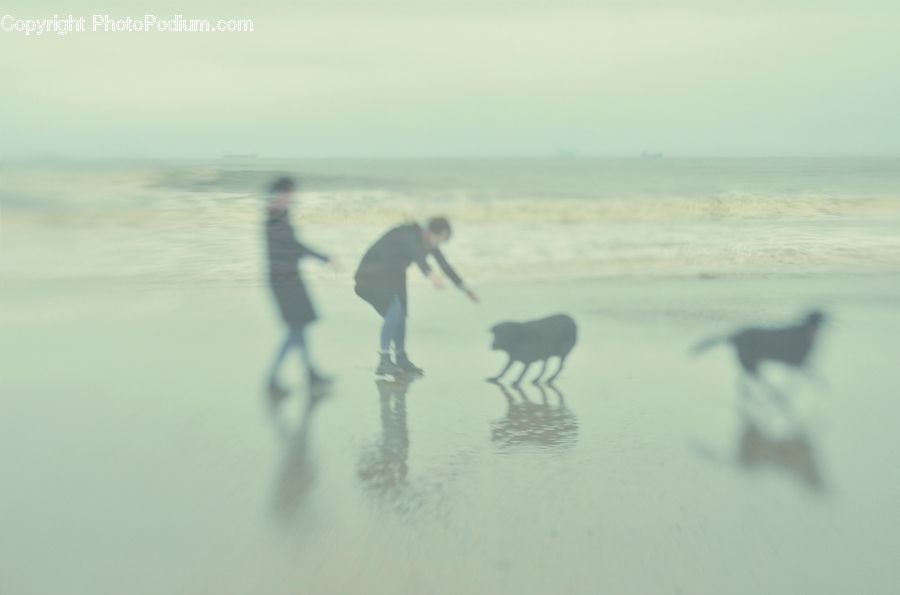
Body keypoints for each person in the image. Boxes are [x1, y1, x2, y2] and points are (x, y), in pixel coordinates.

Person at [354, 217, 478, 375]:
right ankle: (384, 360)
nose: (439, 244)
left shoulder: (426, 240)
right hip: (369, 277)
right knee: (395, 311)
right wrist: (430, 274)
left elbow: (445, 265)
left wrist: (465, 288)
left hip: (392, 276)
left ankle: (401, 358)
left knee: (402, 313)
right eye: (440, 239)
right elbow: (418, 255)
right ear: (433, 233)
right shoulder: (410, 235)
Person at [264, 176, 333, 396]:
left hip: (289, 278)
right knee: (295, 330)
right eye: (288, 194)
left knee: (300, 328)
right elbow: (291, 248)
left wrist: (319, 256)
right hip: (283, 281)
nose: (291, 199)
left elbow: (292, 247)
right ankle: (272, 380)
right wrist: (321, 257)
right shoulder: (274, 219)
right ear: (279, 194)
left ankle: (310, 374)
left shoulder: (279, 216)